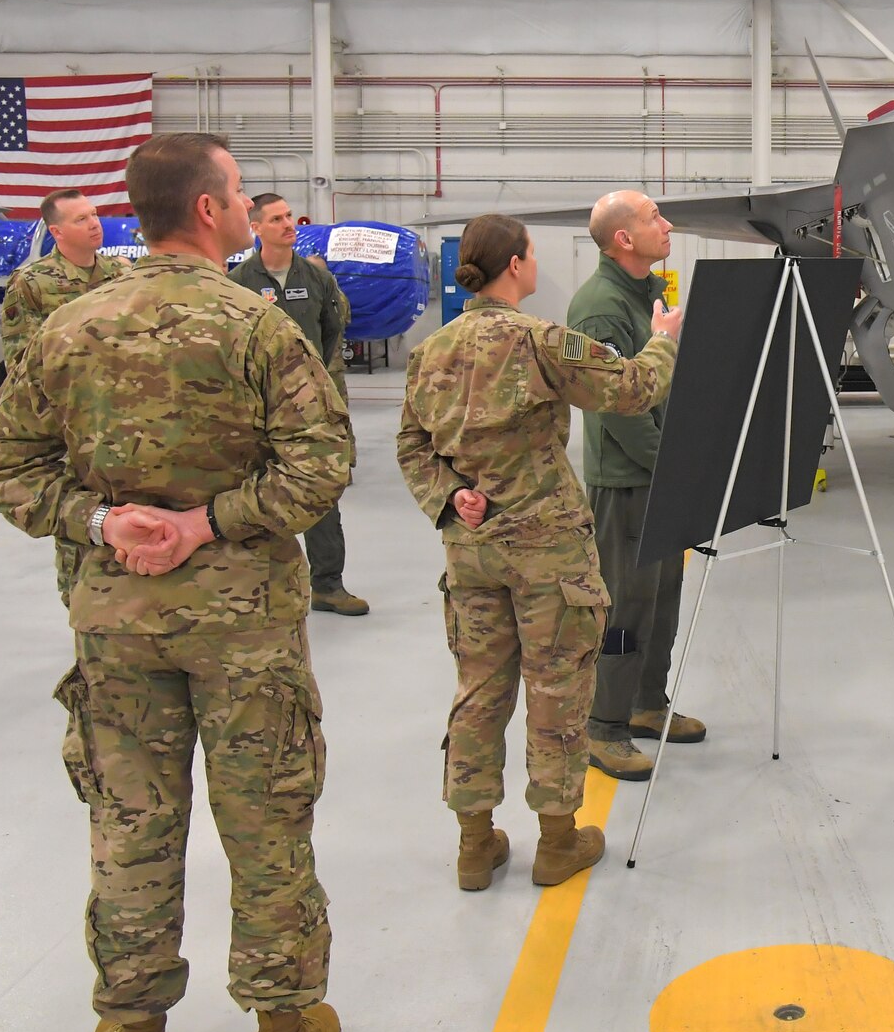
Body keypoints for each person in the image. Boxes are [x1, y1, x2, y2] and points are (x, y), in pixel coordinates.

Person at [0, 133, 351, 1032]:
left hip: (117, 621)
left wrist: (103, 523)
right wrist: (210, 522)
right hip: (244, 625)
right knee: (265, 811)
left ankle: (131, 1025)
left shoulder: (70, 327)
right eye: (235, 190)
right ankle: (285, 1020)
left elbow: (4, 468)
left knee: (129, 818)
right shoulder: (258, 326)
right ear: (212, 210)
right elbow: (320, 466)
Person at [396, 213, 682, 891]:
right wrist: (664, 341)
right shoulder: (540, 341)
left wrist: (449, 495)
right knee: (556, 688)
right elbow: (631, 389)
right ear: (519, 264)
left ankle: (474, 843)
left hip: (471, 548)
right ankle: (557, 840)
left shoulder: (432, 350)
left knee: (478, 691)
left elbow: (411, 444)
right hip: (547, 550)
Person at [568, 190, 704, 784]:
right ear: (624, 238)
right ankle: (605, 726)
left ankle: (648, 702)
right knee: (623, 605)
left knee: (664, 595)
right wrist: (669, 465)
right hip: (626, 480)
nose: (667, 224)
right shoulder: (600, 308)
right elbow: (618, 412)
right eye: (654, 218)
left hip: (659, 473)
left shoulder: (649, 292)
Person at [230, 193, 369, 617]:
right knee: (254, 492)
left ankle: (328, 584)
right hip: (258, 406)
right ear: (256, 227)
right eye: (276, 218)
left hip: (309, 406)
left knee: (321, 493)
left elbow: (331, 332)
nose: (288, 224)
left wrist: (311, 383)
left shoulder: (315, 278)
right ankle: (257, 587)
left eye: (289, 216)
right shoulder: (239, 282)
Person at [0, 188, 129, 606]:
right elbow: (24, 363)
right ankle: (82, 605)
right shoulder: (33, 284)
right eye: (80, 219)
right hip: (72, 424)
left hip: (125, 419)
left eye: (94, 215)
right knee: (81, 518)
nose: (94, 224)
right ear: (56, 231)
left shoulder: (120, 274)